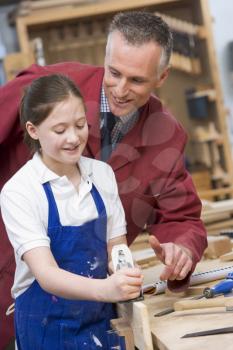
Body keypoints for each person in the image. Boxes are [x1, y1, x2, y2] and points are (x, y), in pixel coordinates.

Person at [0, 10, 207, 346]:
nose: (121, 90)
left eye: (137, 81)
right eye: (114, 73)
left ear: (162, 76)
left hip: (97, 303)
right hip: (16, 278)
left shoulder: (166, 136)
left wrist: (181, 248)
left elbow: (181, 216)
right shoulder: (48, 88)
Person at [0, 74, 143, 349]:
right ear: (33, 130)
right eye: (60, 130)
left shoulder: (102, 174)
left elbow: (116, 245)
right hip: (46, 328)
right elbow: (47, 274)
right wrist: (106, 289)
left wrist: (123, 269)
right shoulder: (20, 191)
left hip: (102, 322)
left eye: (80, 125)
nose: (73, 138)